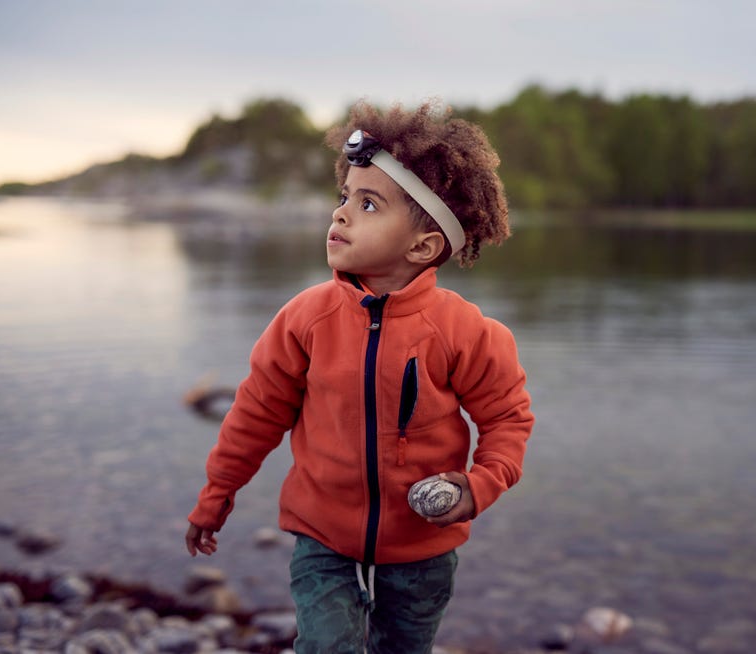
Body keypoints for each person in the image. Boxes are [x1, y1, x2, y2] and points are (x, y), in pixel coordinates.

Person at [184, 100, 535, 653]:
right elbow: (255, 413)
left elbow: (508, 418)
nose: (341, 214)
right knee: (327, 647)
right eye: (344, 197)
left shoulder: (466, 332)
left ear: (423, 245)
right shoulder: (305, 319)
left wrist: (480, 484)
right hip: (321, 535)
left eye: (368, 204)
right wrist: (217, 493)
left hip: (423, 545)